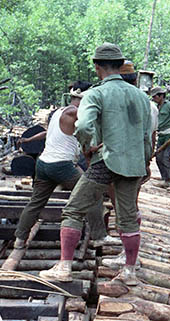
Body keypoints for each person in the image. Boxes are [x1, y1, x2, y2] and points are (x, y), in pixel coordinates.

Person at [39, 43, 151, 285]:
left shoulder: (95, 94)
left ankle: (64, 267)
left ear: (96, 66)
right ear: (121, 66)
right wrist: (146, 163)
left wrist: (85, 147)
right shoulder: (141, 97)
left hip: (106, 161)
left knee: (73, 209)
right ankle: (130, 271)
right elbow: (146, 135)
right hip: (134, 163)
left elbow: (82, 126)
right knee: (128, 216)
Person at [5, 82, 112, 269]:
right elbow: (88, 128)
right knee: (91, 195)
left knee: (35, 203)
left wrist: (30, 139)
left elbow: (51, 133)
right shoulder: (74, 112)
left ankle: (20, 239)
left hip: (43, 164)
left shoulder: (58, 112)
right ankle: (99, 237)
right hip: (62, 166)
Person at [102, 60, 158, 268]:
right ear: (134, 80)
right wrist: (147, 161)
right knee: (130, 204)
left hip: (120, 160)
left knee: (123, 206)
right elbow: (151, 136)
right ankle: (129, 254)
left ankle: (128, 257)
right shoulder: (149, 104)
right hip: (138, 159)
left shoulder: (119, 101)